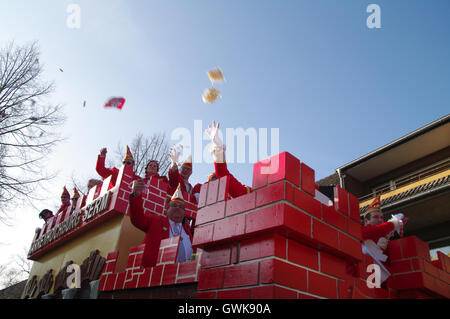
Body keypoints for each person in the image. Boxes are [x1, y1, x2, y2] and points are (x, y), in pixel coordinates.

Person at [129, 181, 194, 267]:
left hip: (184, 275)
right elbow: (138, 219)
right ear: (167, 210)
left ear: (184, 213)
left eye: (181, 207)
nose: (178, 207)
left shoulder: (187, 231)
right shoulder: (156, 220)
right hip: (153, 273)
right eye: (174, 205)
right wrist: (136, 195)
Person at [361, 196, 408, 283]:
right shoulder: (363, 231)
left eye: (381, 218)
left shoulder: (385, 238)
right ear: (366, 221)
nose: (380, 220)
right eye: (375, 217)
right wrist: (394, 223)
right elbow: (375, 231)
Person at [205, 121, 251, 198]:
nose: (216, 181)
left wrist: (218, 147)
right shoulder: (205, 197)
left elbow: (222, 173)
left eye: (216, 178)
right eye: (212, 179)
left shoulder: (234, 192)